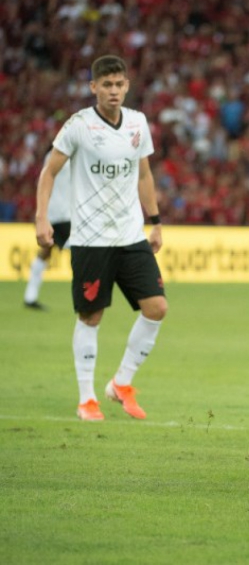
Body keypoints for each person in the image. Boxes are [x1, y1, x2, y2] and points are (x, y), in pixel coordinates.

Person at [34, 55, 167, 421]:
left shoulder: (138, 123)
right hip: (91, 238)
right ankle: (86, 398)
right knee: (91, 316)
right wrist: (41, 217)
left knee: (157, 308)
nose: (113, 91)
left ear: (127, 86)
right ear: (93, 87)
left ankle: (121, 384)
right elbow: (49, 172)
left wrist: (155, 221)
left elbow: (143, 175)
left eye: (119, 84)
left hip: (130, 235)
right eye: (106, 85)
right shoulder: (78, 125)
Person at [24, 154, 71, 310]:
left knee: (45, 252)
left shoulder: (52, 155)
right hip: (63, 215)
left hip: (53, 214)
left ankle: (30, 296)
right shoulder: (63, 155)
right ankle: (87, 294)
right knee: (84, 252)